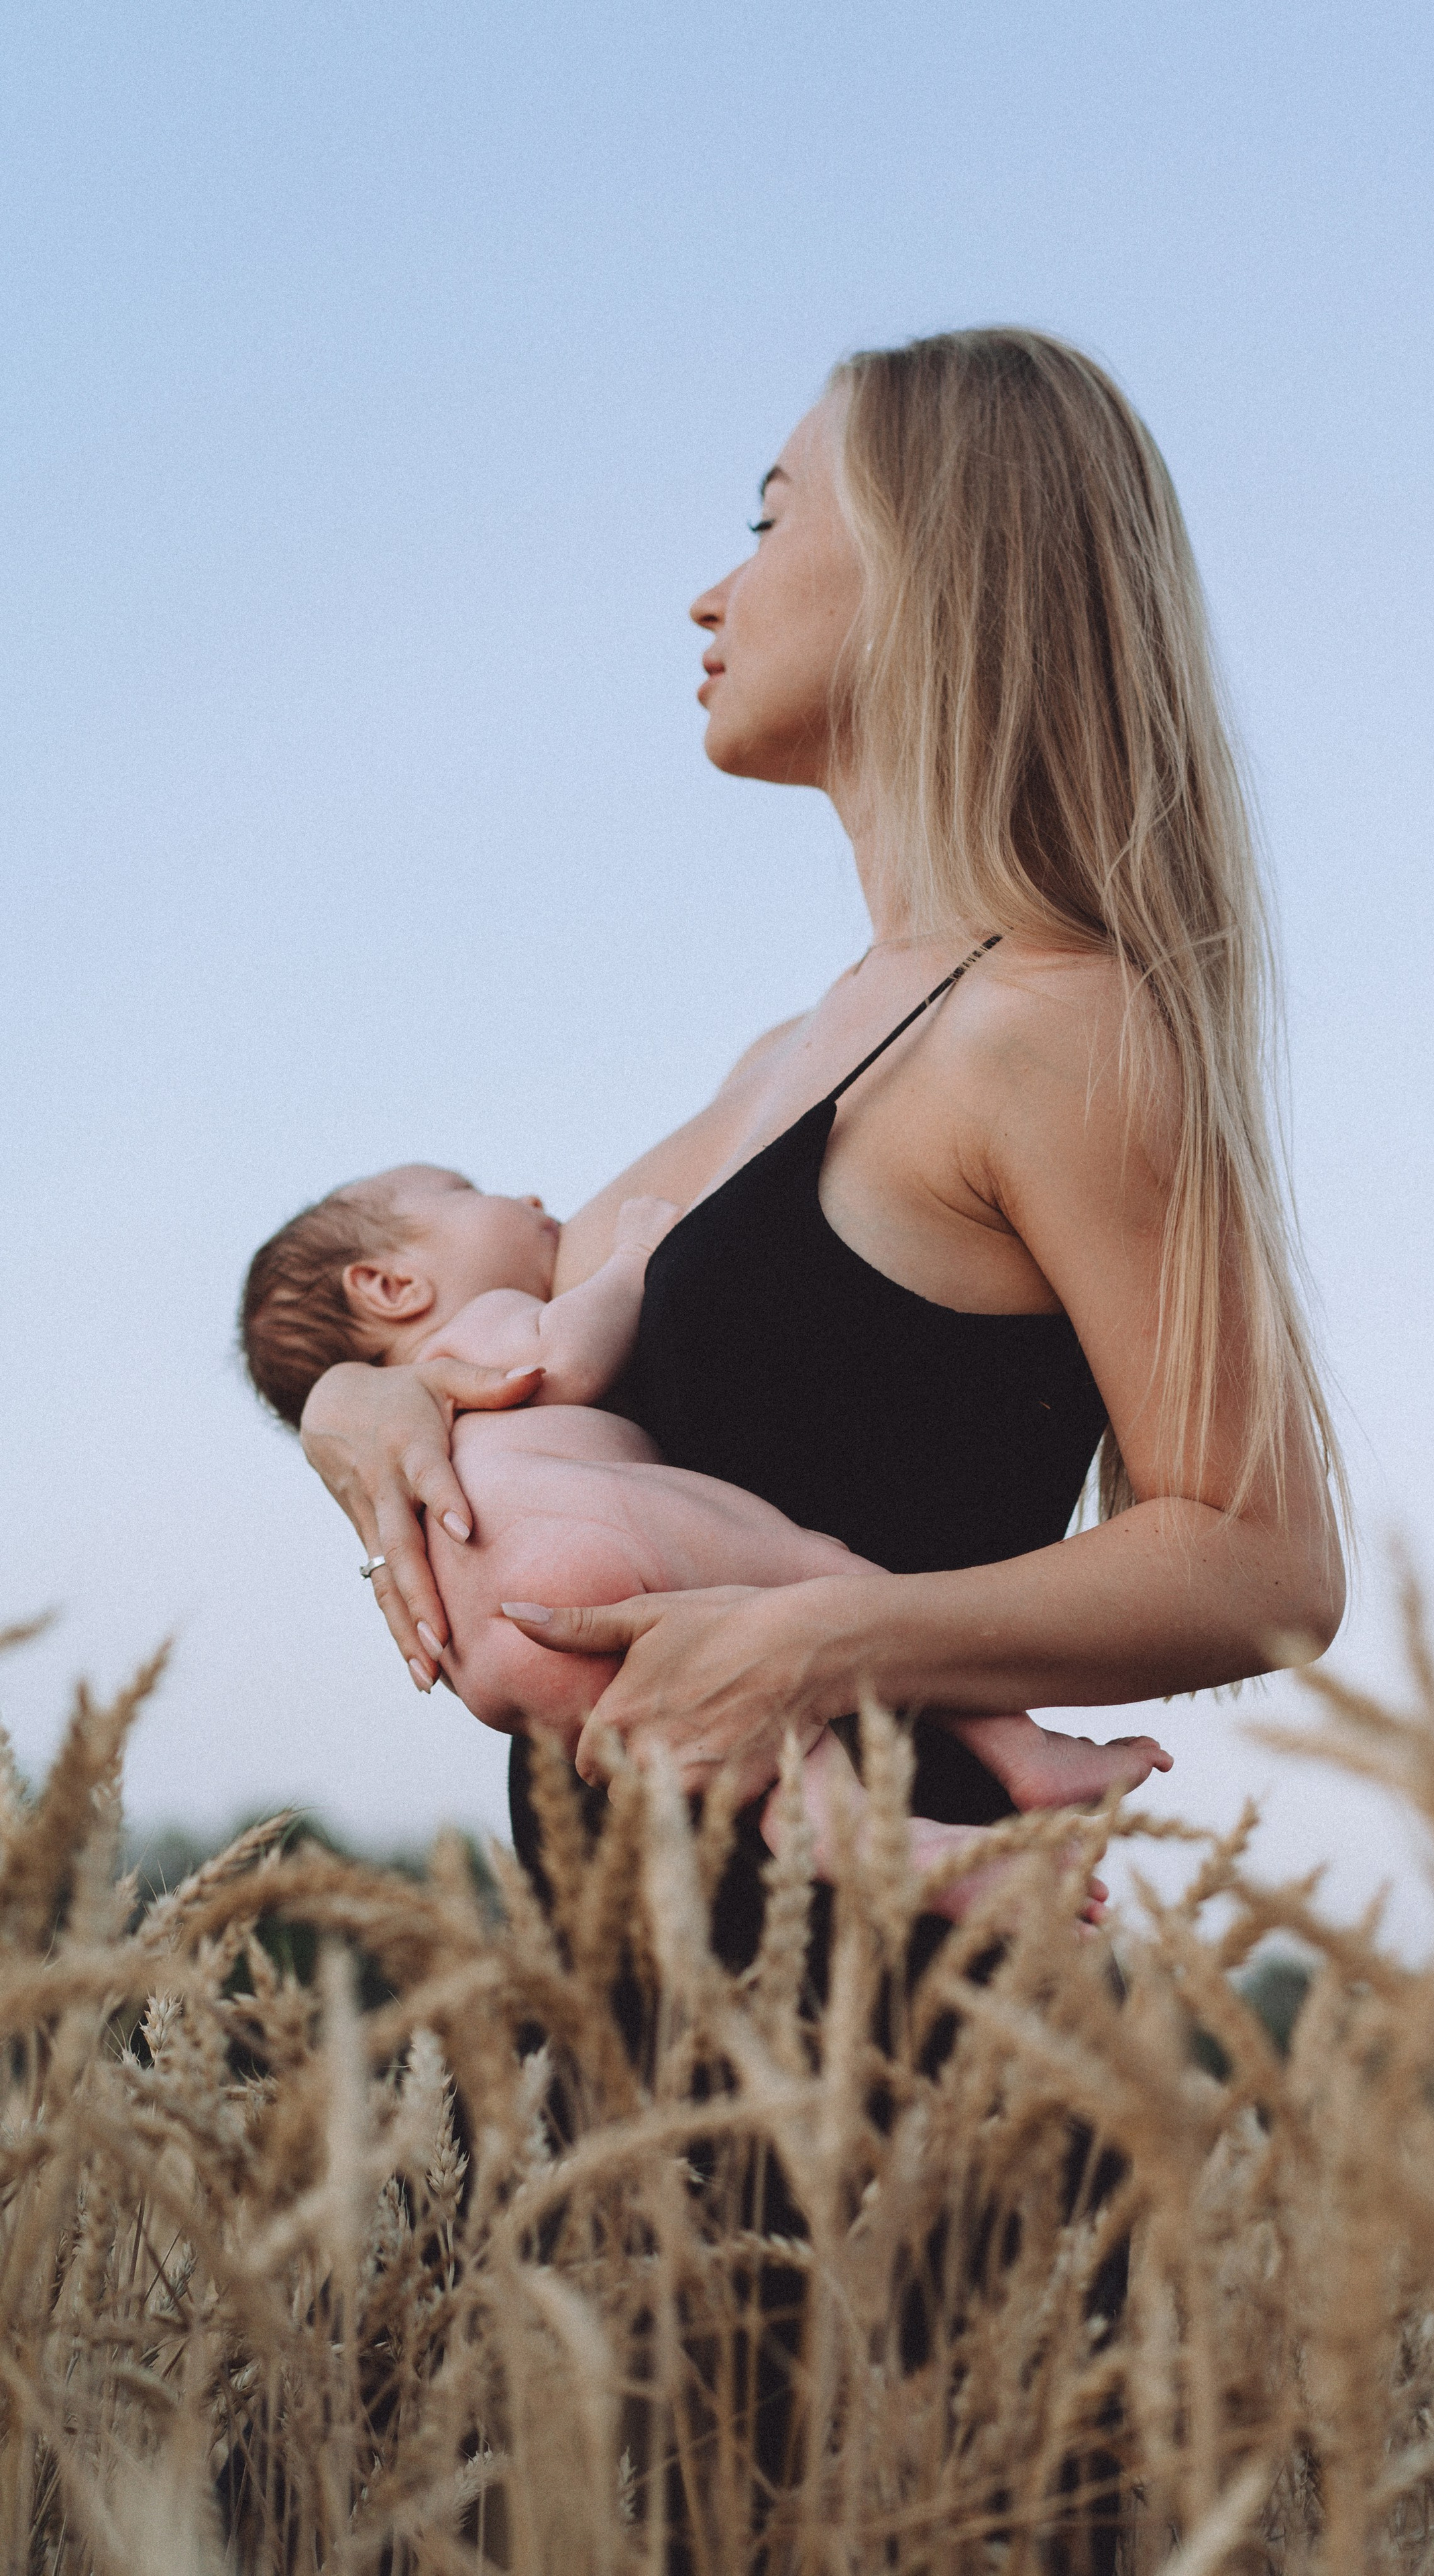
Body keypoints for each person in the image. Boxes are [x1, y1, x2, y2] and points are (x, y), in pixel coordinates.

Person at [296, 326, 1346, 2567]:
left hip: (913, 2092)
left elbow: (1262, 1555)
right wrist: (352, 1401)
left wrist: (818, 1647)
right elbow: (503, 1344)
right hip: (657, 2066)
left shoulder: (1058, 1024)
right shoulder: (803, 1044)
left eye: (769, 519)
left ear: (936, 565)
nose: (713, 587)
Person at [239, 1160, 1170, 1912]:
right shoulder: (471, 1332)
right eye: (466, 1190)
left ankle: (858, 1840)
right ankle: (1019, 1751)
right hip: (578, 1548)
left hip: (492, 1662)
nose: (528, 1197)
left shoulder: (412, 1429)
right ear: (392, 1286)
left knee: (754, 1719)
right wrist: (635, 1255)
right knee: (822, 1575)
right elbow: (562, 1362)